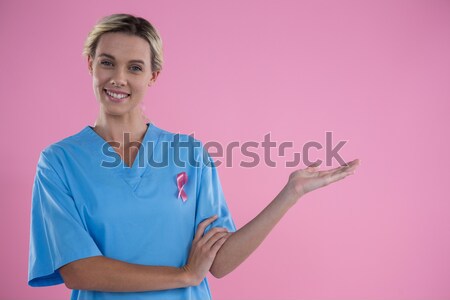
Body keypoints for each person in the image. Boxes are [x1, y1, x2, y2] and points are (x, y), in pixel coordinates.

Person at [27, 13, 360, 300]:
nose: (119, 78)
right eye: (107, 62)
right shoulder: (58, 162)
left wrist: (291, 193)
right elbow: (78, 270)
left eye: (136, 67)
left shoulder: (188, 154)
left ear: (153, 76)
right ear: (91, 64)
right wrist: (184, 275)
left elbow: (219, 261)